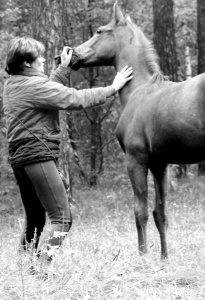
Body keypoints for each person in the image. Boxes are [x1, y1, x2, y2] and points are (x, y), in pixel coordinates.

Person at [2, 37, 133, 266]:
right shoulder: (35, 86)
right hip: (37, 158)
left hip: (21, 160)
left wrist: (63, 68)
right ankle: (42, 267)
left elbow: (47, 91)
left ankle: (23, 266)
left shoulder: (13, 83)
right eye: (38, 57)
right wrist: (113, 88)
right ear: (26, 63)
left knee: (35, 218)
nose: (43, 59)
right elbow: (74, 98)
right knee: (62, 218)